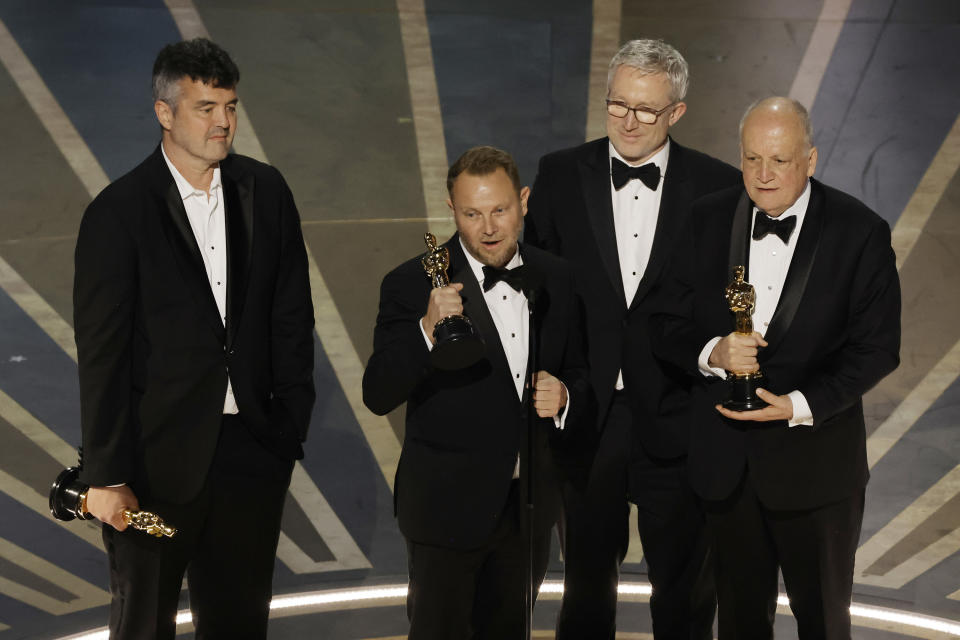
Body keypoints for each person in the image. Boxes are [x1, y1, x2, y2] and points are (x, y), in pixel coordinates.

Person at [73, 38, 315, 639]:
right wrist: (105, 475)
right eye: (205, 108)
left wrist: (286, 425)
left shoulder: (267, 191)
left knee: (238, 621)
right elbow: (102, 352)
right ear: (165, 112)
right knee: (145, 620)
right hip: (154, 471)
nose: (223, 122)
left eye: (230, 107)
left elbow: (291, 316)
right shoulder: (118, 212)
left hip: (250, 457)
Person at [649, 96, 901, 639]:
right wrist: (712, 352)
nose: (763, 176)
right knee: (739, 622)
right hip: (726, 470)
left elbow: (877, 348)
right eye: (751, 160)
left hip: (816, 468)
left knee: (823, 623)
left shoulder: (860, 232)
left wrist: (799, 406)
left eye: (780, 161)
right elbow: (663, 320)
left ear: (810, 160)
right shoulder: (705, 218)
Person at [524, 38, 740, 638]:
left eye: (646, 109)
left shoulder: (718, 187)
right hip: (587, 413)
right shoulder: (561, 173)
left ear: (677, 112)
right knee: (587, 585)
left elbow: (729, 300)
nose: (628, 120)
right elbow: (534, 290)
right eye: (617, 104)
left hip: (679, 412)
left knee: (685, 587)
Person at [363, 146, 593, 639]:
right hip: (446, 512)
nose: (488, 228)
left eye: (499, 210)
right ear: (452, 210)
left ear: (524, 202)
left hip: (528, 510)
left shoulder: (556, 276)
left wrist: (566, 395)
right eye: (471, 214)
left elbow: (579, 369)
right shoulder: (409, 283)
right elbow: (378, 393)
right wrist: (426, 330)